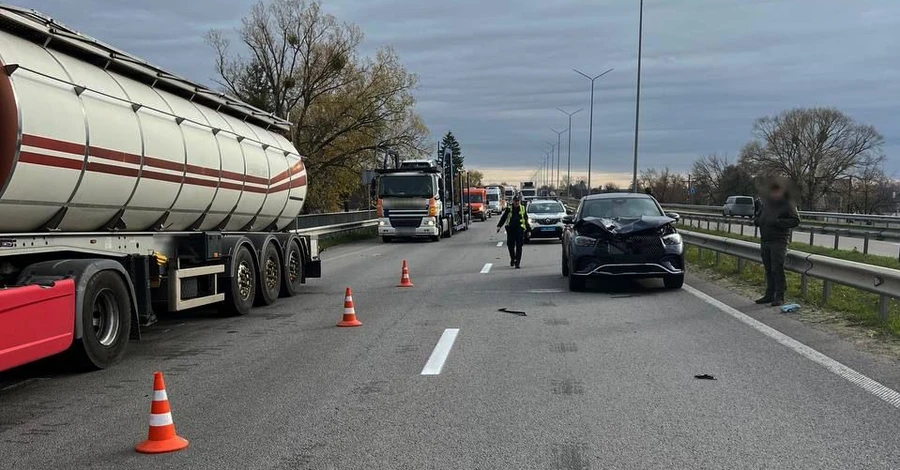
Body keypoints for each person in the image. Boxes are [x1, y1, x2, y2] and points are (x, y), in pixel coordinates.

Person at [753, 180, 799, 306]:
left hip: (779, 240)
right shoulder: (766, 204)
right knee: (768, 268)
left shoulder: (787, 204)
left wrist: (778, 222)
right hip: (765, 240)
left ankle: (779, 296)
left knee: (776, 268)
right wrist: (758, 220)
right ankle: (769, 294)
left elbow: (795, 221)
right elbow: (759, 217)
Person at [496, 196, 531, 268]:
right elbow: (504, 217)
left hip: (520, 229)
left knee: (519, 246)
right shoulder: (509, 208)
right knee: (510, 246)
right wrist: (499, 226)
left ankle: (517, 262)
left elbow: (526, 220)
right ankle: (513, 258)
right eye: (515, 201)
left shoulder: (522, 208)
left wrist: (528, 230)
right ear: (513, 201)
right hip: (510, 229)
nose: (517, 202)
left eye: (518, 201)